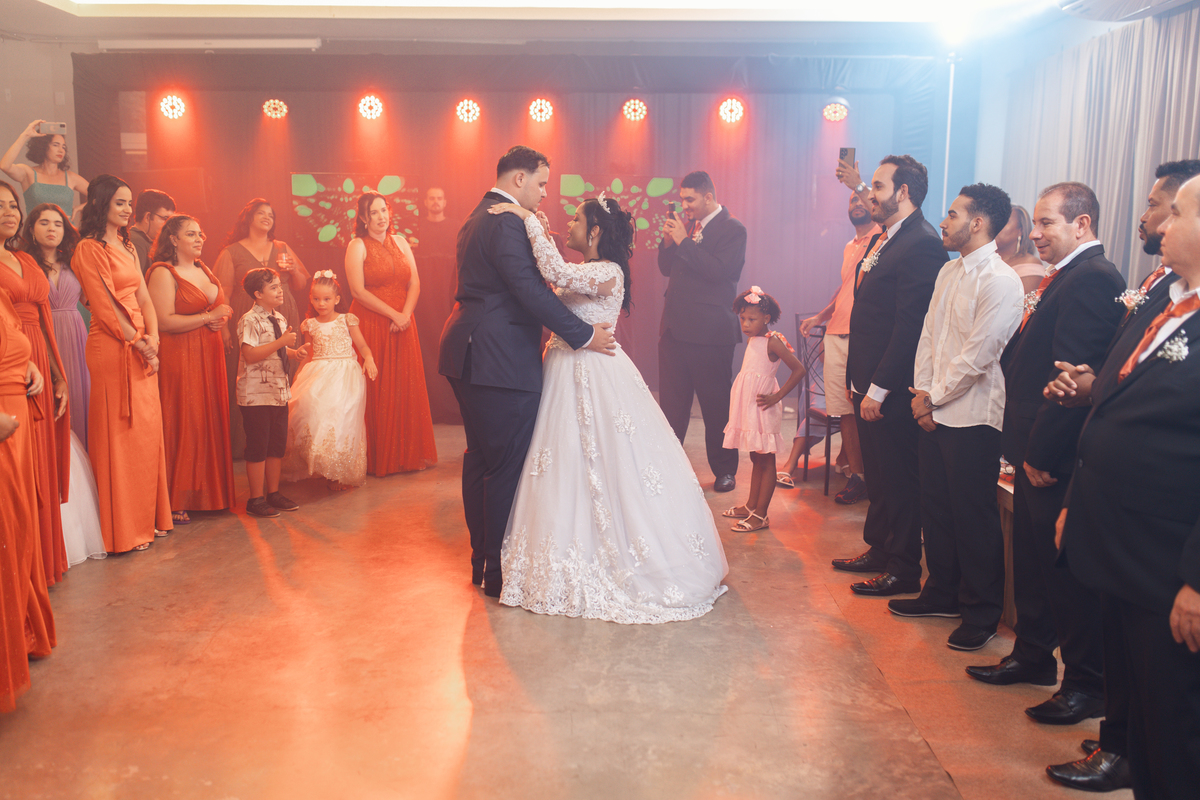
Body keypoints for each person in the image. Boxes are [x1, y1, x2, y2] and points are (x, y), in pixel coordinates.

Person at [489, 194, 727, 622]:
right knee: (565, 463)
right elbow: (558, 277)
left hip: (593, 373)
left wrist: (527, 218)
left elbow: (556, 272)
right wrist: (539, 229)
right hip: (562, 369)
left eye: (576, 219)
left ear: (595, 231)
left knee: (604, 462)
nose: (569, 224)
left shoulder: (609, 271)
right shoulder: (586, 270)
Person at [1041, 159, 1200, 793]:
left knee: (1175, 728)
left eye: (1178, 212)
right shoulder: (1172, 302)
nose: (1161, 222)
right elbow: (1122, 401)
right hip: (1122, 543)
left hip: (1167, 560)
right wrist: (1079, 504)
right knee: (1143, 707)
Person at [966, 182, 1125, 726]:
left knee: (1063, 574)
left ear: (1082, 224)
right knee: (1033, 566)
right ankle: (1032, 654)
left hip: (1051, 453)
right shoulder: (1066, 275)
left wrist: (1041, 452)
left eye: (1046, 223)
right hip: (1031, 442)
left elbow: (1070, 377)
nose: (1034, 233)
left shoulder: (1093, 278)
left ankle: (1084, 684)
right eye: (1034, 222)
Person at [438, 145, 617, 597]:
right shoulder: (505, 221)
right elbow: (530, 292)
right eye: (541, 183)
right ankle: (499, 574)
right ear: (519, 179)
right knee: (503, 466)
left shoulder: (478, 216)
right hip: (497, 360)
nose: (544, 194)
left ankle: (481, 562)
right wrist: (584, 334)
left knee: (480, 459)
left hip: (470, 350)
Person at [888, 184, 1022, 650]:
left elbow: (979, 354)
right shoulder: (948, 271)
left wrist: (934, 398)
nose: (943, 222)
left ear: (978, 223)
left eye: (952, 214)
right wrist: (922, 392)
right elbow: (929, 335)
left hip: (973, 416)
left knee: (972, 518)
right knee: (937, 509)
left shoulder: (1002, 280)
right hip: (934, 408)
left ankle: (981, 612)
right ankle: (941, 592)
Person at [832, 155, 946, 597]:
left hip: (893, 386)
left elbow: (909, 325)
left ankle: (903, 568)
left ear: (903, 192)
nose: (869, 195)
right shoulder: (887, 237)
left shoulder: (922, 243)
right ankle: (880, 548)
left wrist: (878, 388)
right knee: (878, 477)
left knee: (898, 480)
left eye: (877, 187)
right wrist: (857, 380)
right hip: (867, 378)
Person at [71, 174, 173, 553]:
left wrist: (153, 337)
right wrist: (139, 341)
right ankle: (125, 530)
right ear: (101, 204)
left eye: (130, 202)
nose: (128, 209)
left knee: (146, 432)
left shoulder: (128, 245)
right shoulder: (88, 248)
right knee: (121, 433)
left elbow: (144, 297)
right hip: (112, 346)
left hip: (141, 342)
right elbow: (104, 305)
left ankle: (148, 518)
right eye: (120, 202)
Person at [657, 170, 746, 493]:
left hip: (710, 335)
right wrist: (669, 243)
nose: (685, 205)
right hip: (674, 332)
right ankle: (668, 466)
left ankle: (724, 470)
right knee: (672, 406)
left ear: (709, 196)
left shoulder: (733, 229)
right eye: (682, 199)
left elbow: (720, 272)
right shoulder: (689, 227)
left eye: (690, 199)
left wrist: (683, 241)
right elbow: (666, 269)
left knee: (715, 406)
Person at [0, 182, 71, 585]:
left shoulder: (25, 258)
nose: (9, 212)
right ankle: (22, 567)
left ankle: (44, 561)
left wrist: (59, 375)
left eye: (13, 205)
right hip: (11, 365)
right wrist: (24, 359)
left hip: (40, 358)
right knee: (19, 467)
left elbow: (44, 319)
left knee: (41, 461)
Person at [146, 214, 235, 523]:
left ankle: (211, 494)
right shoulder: (163, 272)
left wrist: (221, 319)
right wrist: (208, 318)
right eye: (191, 234)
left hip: (210, 354)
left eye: (201, 234)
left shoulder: (203, 268)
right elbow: (163, 320)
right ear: (173, 239)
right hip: (180, 355)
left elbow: (216, 308)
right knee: (184, 419)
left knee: (208, 418)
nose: (200, 239)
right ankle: (176, 497)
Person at [795, 190, 879, 502]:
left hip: (862, 336)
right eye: (852, 199)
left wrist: (858, 184)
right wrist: (820, 317)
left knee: (865, 409)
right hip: (836, 334)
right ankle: (858, 477)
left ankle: (876, 476)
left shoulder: (881, 239)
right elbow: (844, 290)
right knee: (844, 411)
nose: (857, 204)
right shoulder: (849, 245)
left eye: (864, 198)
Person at [345, 191, 437, 476]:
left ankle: (404, 455)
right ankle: (378, 457)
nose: (381, 217)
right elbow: (357, 291)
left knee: (403, 385)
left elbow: (415, 283)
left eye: (384, 210)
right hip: (373, 323)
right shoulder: (357, 245)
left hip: (403, 324)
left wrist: (405, 315)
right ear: (363, 217)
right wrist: (393, 315)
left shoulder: (401, 241)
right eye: (374, 212)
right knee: (378, 387)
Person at [214, 198, 310, 459]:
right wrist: (224, 328)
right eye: (261, 213)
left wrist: (293, 270)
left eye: (271, 214)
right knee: (250, 372)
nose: (267, 217)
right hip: (247, 316)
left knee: (284, 368)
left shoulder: (282, 247)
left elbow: (301, 284)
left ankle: (282, 444)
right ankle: (246, 444)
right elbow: (223, 292)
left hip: (283, 314)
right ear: (248, 218)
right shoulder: (232, 252)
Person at [0, 289, 56, 714]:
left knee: (18, 533)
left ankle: (21, 636)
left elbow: (14, 334)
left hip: (15, 407)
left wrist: (29, 363)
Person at [721, 287, 805, 532]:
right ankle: (751, 506)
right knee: (756, 456)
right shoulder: (753, 339)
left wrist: (778, 396)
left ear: (766, 318)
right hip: (750, 407)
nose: (746, 324)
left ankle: (761, 515)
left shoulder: (773, 341)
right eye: (742, 319)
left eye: (752, 319)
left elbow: (799, 369)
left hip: (763, 406)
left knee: (766, 459)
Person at [284, 271, 376, 489]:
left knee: (339, 418)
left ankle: (337, 473)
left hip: (344, 374)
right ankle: (319, 463)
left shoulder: (347, 320)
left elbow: (362, 345)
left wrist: (369, 358)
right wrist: (299, 373)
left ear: (336, 299)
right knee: (311, 412)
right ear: (311, 299)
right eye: (316, 299)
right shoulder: (309, 324)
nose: (321, 304)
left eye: (326, 299)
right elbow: (309, 353)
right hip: (318, 372)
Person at [235, 267, 307, 518]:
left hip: (278, 392)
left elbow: (277, 350)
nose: (280, 291)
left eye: (280, 286)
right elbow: (250, 354)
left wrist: (294, 353)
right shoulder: (249, 320)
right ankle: (255, 499)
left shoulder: (279, 318)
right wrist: (281, 343)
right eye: (273, 287)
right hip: (256, 395)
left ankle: (273, 493)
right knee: (258, 447)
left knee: (276, 446)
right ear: (258, 294)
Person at [20, 203, 88, 445]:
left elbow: (92, 301)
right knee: (53, 404)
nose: (52, 228)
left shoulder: (75, 261)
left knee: (81, 400)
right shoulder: (24, 264)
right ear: (31, 229)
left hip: (78, 338)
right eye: (44, 222)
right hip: (43, 336)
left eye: (58, 224)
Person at [414, 186, 461, 424]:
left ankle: (452, 406)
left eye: (439, 198)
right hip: (423, 301)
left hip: (448, 297)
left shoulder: (456, 227)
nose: (435, 202)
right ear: (425, 201)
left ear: (445, 202)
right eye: (431, 198)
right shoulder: (415, 228)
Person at [0, 120, 89, 223]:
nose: (61, 150)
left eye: (63, 147)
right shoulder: (28, 173)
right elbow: (4, 166)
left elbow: (100, 195)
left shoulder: (70, 177)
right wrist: (25, 135)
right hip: (35, 231)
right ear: (44, 146)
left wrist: (79, 208)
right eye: (55, 145)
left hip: (66, 231)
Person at [995, 205, 1044, 295]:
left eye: (1004, 222)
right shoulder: (986, 260)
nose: (996, 226)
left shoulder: (1030, 265)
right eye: (995, 221)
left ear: (1020, 231)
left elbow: (1024, 304)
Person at [128, 189, 176, 275]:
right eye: (165, 219)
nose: (169, 225)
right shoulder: (136, 243)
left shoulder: (145, 241)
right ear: (148, 217)